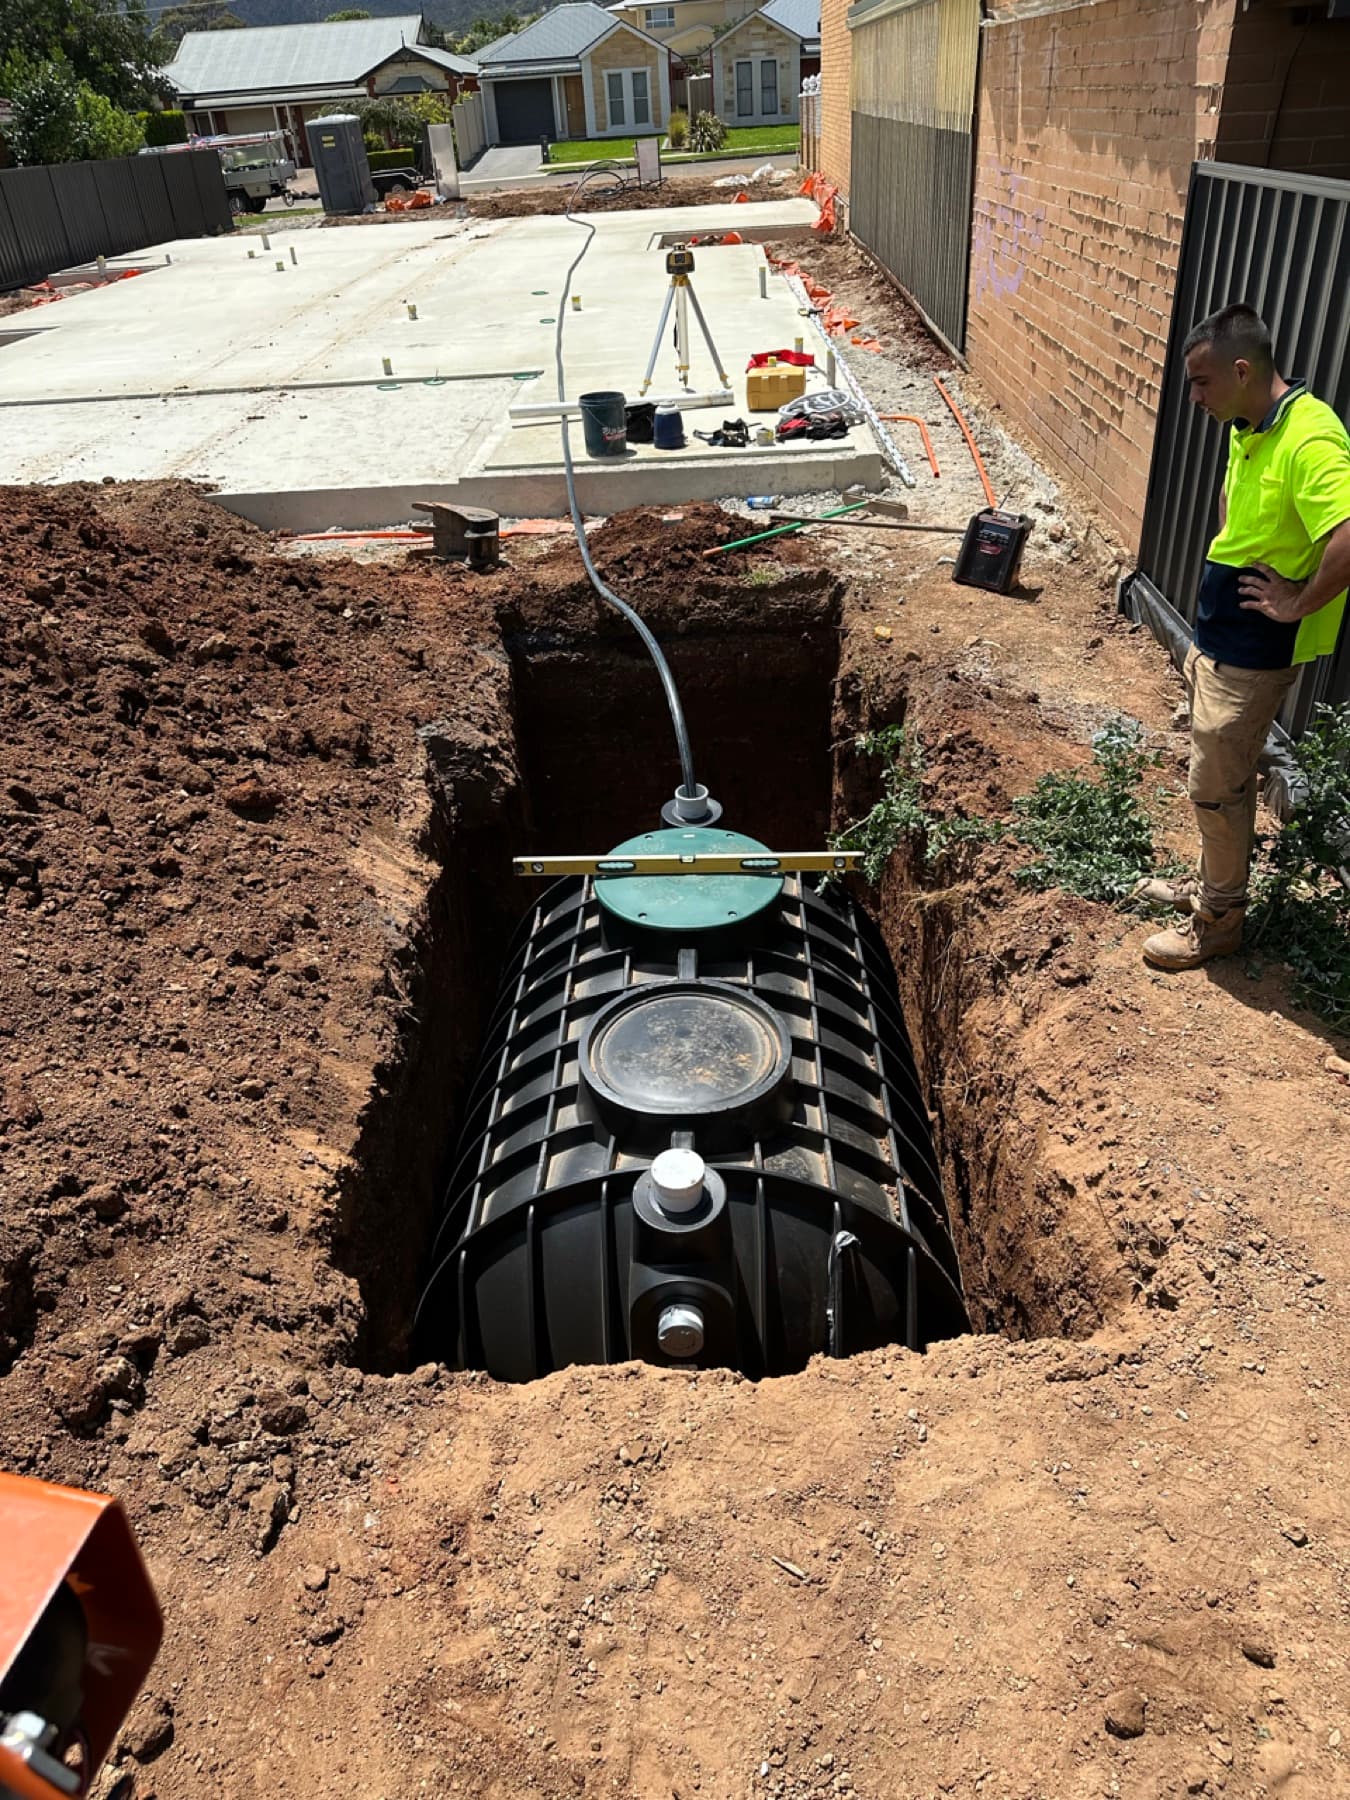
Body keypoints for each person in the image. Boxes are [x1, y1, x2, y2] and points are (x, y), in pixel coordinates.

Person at [1137, 303, 1350, 971]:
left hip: (1256, 653)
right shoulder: (1249, 423)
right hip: (1218, 638)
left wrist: (1295, 602)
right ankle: (1212, 888)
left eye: (1202, 384)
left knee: (1217, 787)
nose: (1195, 398)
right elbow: (1237, 505)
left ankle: (1219, 923)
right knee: (1217, 777)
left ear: (1240, 369)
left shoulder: (1311, 438)